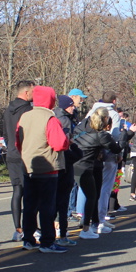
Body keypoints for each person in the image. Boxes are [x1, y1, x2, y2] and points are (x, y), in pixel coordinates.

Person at [17, 86, 70, 253]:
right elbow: (59, 143)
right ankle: (47, 241)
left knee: (30, 205)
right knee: (47, 206)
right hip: (48, 167)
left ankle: (28, 239)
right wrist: (67, 140)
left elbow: (18, 141)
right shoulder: (50, 118)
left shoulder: (25, 116)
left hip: (28, 165)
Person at [72, 107, 120, 239]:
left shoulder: (82, 126)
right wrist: (127, 135)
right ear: (105, 119)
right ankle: (86, 228)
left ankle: (93, 224)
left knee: (92, 195)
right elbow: (116, 148)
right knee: (92, 197)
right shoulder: (101, 135)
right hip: (86, 166)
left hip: (77, 163)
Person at [3, 80, 34, 242]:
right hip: (24, 154)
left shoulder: (8, 110)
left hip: (11, 154)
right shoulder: (28, 110)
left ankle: (18, 228)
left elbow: (6, 134)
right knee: (29, 192)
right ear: (26, 92)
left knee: (17, 191)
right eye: (33, 91)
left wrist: (10, 147)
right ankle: (31, 228)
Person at [54, 95, 80, 247]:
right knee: (62, 199)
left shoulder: (59, 117)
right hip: (64, 162)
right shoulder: (63, 120)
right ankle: (60, 230)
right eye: (71, 105)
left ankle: (57, 228)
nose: (73, 107)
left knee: (57, 198)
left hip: (58, 162)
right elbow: (66, 143)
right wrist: (74, 149)